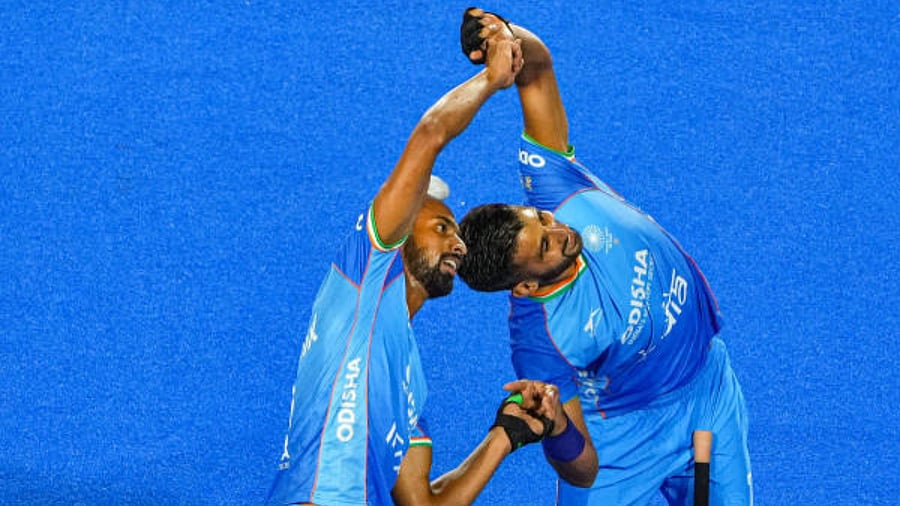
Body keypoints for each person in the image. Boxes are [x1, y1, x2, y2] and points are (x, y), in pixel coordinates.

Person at [456, 8, 753, 505]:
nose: (561, 231)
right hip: (622, 440)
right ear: (525, 286)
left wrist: (503, 36)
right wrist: (555, 429)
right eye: (545, 246)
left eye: (542, 220)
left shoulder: (554, 188)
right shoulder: (541, 339)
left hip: (708, 389)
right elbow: (582, 467)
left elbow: (538, 68)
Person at [267, 36, 567, 506]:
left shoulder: (408, 373)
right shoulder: (365, 275)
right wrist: (490, 80)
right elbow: (430, 134)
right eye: (442, 227)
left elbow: (421, 504)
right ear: (403, 229)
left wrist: (506, 435)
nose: (459, 242)